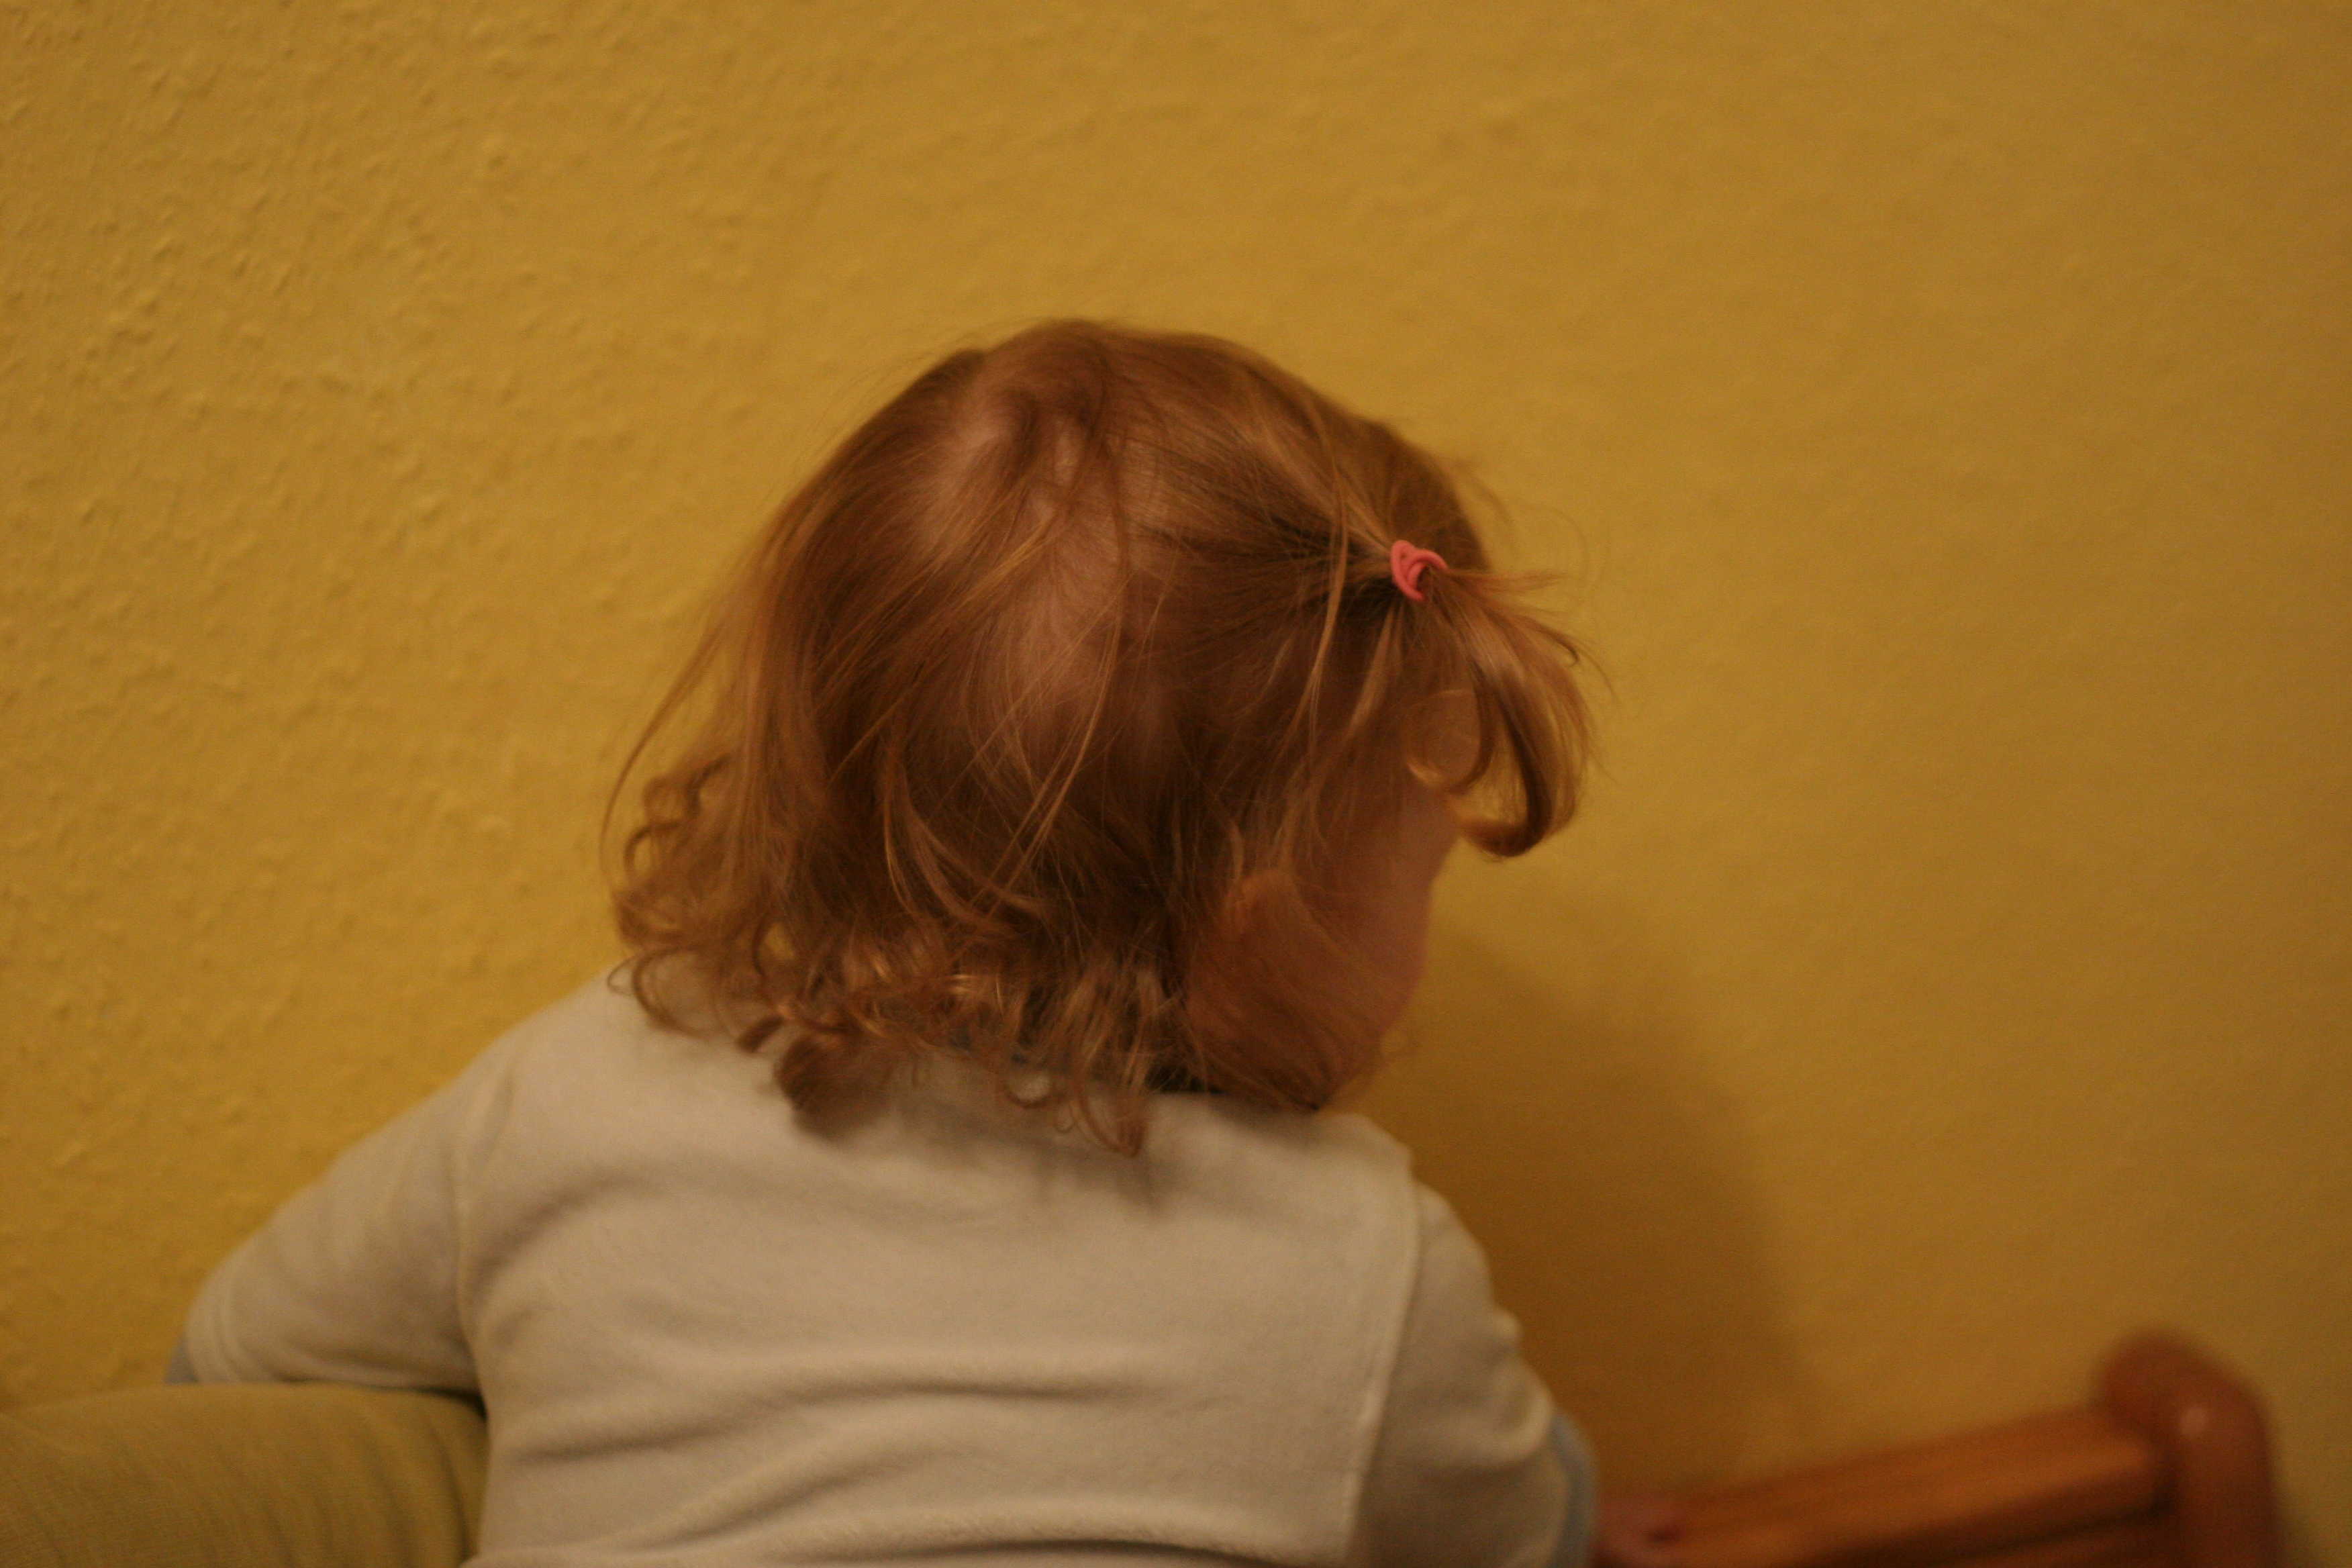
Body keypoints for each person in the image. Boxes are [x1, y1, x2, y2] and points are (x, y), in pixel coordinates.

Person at [174, 321, 1677, 1567]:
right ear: (1257, 925)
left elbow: (233, 1358)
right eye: (1425, 863)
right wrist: (1578, 1494)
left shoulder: (570, 1089)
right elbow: (1532, 1532)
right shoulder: (1365, 1261)